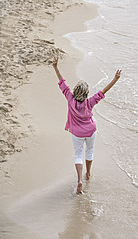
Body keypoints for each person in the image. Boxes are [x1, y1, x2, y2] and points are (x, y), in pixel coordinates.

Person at [52, 56, 121, 194]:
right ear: (86, 93)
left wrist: (55, 67)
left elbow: (62, 82)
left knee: (78, 155)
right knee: (89, 151)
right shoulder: (90, 102)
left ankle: (79, 180)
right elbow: (103, 91)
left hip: (76, 133)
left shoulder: (69, 98)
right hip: (90, 131)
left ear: (75, 91)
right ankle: (88, 174)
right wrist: (115, 79)